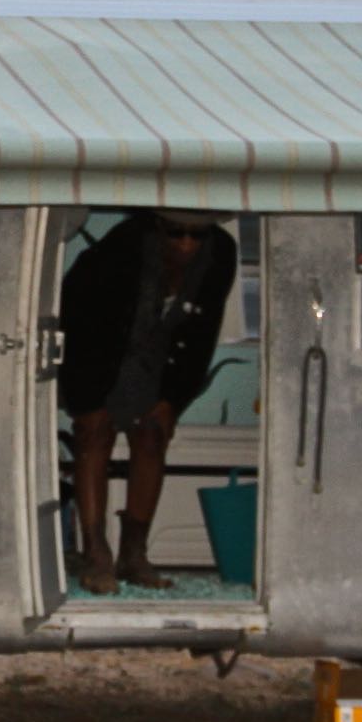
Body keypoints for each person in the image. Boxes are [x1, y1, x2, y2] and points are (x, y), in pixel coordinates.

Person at [56, 211, 237, 594]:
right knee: (93, 434)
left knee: (154, 434)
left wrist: (173, 397)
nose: (186, 243)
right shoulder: (121, 247)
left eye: (196, 234)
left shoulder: (221, 251)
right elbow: (82, 322)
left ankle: (134, 554)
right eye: (176, 232)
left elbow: (203, 331)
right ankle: (96, 554)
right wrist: (89, 400)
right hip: (96, 346)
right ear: (157, 226)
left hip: (163, 351)